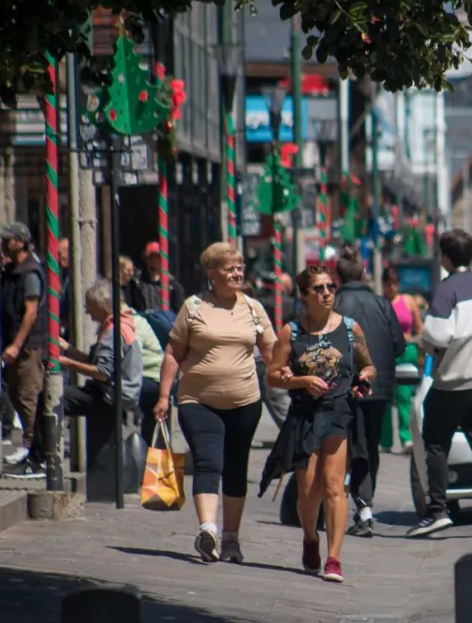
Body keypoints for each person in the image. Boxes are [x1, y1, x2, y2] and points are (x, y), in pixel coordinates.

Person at [154, 242, 277, 564]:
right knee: (208, 463)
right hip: (198, 401)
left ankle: (231, 540)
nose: (237, 273)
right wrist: (164, 396)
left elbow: (272, 352)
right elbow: (173, 353)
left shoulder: (253, 308)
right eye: (229, 268)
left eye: (239, 267)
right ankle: (208, 531)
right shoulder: (194, 307)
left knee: (236, 468)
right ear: (212, 274)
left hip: (245, 402)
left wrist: (291, 374)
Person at [265, 265, 377, 582]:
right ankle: (310, 537)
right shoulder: (291, 332)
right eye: (319, 288)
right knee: (308, 491)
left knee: (333, 486)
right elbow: (272, 376)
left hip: (339, 413)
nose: (327, 293)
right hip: (305, 416)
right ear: (304, 295)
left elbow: (369, 366)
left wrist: (365, 379)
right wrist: (301, 381)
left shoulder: (351, 328)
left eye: (330, 287)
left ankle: (334, 559)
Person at [407, 229, 472, 538]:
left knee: (436, 442)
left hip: (454, 381)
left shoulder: (446, 290)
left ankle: (438, 511)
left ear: (446, 258)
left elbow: (436, 335)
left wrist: (432, 350)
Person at [17, 279, 143, 479]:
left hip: (111, 396)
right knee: (54, 397)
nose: (86, 311)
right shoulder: (118, 325)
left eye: (89, 306)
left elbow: (102, 372)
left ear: (102, 306)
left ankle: (38, 460)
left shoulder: (114, 331)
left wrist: (67, 362)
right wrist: (68, 348)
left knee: (51, 397)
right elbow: (94, 361)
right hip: (113, 391)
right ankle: (39, 457)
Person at [333, 248, 406, 538]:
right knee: (369, 445)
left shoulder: (335, 304)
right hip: (380, 387)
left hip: (348, 386)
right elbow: (399, 345)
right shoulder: (382, 304)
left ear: (337, 277)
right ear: (364, 273)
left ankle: (362, 508)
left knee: (355, 446)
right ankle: (364, 504)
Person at [0, 222, 47, 476]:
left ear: (21, 242)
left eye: (9, 239)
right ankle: (31, 447)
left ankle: (37, 452)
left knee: (29, 396)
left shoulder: (29, 273)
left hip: (28, 346)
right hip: (12, 343)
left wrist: (16, 345)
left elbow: (30, 312)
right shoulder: (12, 270)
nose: (4, 243)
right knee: (15, 394)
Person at [380, 265, 424, 454]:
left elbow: (419, 328)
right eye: (388, 284)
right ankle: (385, 440)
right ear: (383, 284)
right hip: (385, 353)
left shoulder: (408, 301)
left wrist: (416, 342)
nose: (392, 287)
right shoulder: (380, 303)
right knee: (384, 397)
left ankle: (406, 438)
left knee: (405, 396)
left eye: (395, 283)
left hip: (406, 352)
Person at [123, 297, 166, 445]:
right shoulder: (131, 319)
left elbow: (133, 355)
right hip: (151, 376)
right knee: (151, 426)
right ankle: (148, 452)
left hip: (153, 377)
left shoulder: (131, 322)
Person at [128, 241, 186, 313]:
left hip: (165, 318)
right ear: (146, 259)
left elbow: (179, 310)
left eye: (157, 258)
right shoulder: (136, 282)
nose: (153, 262)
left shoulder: (173, 285)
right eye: (150, 258)